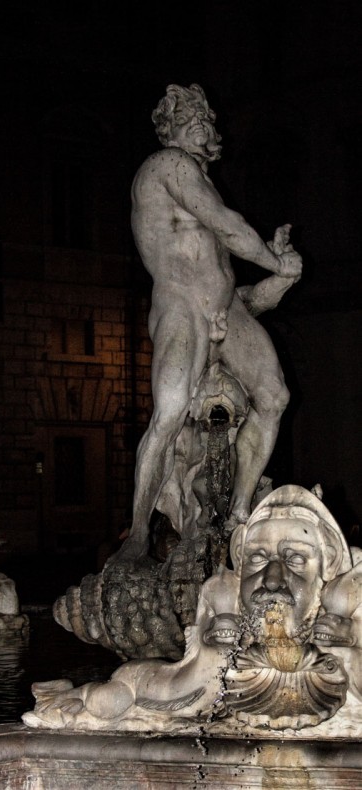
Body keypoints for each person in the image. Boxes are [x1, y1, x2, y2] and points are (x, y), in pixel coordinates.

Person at [115, 83, 302, 561]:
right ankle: (137, 531)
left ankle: (240, 513)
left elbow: (236, 286)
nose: (199, 122)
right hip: (182, 305)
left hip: (226, 306)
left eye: (204, 116)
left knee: (274, 396)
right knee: (171, 412)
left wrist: (284, 277)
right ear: (168, 130)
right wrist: (270, 260)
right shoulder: (167, 165)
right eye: (187, 116)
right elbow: (224, 224)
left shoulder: (198, 177)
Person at [23, 484, 355, 731]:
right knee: (107, 702)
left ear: (329, 567)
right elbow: (193, 675)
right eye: (257, 558)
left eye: (295, 558)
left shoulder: (346, 606)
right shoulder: (222, 593)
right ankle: (73, 698)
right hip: (148, 684)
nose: (272, 579)